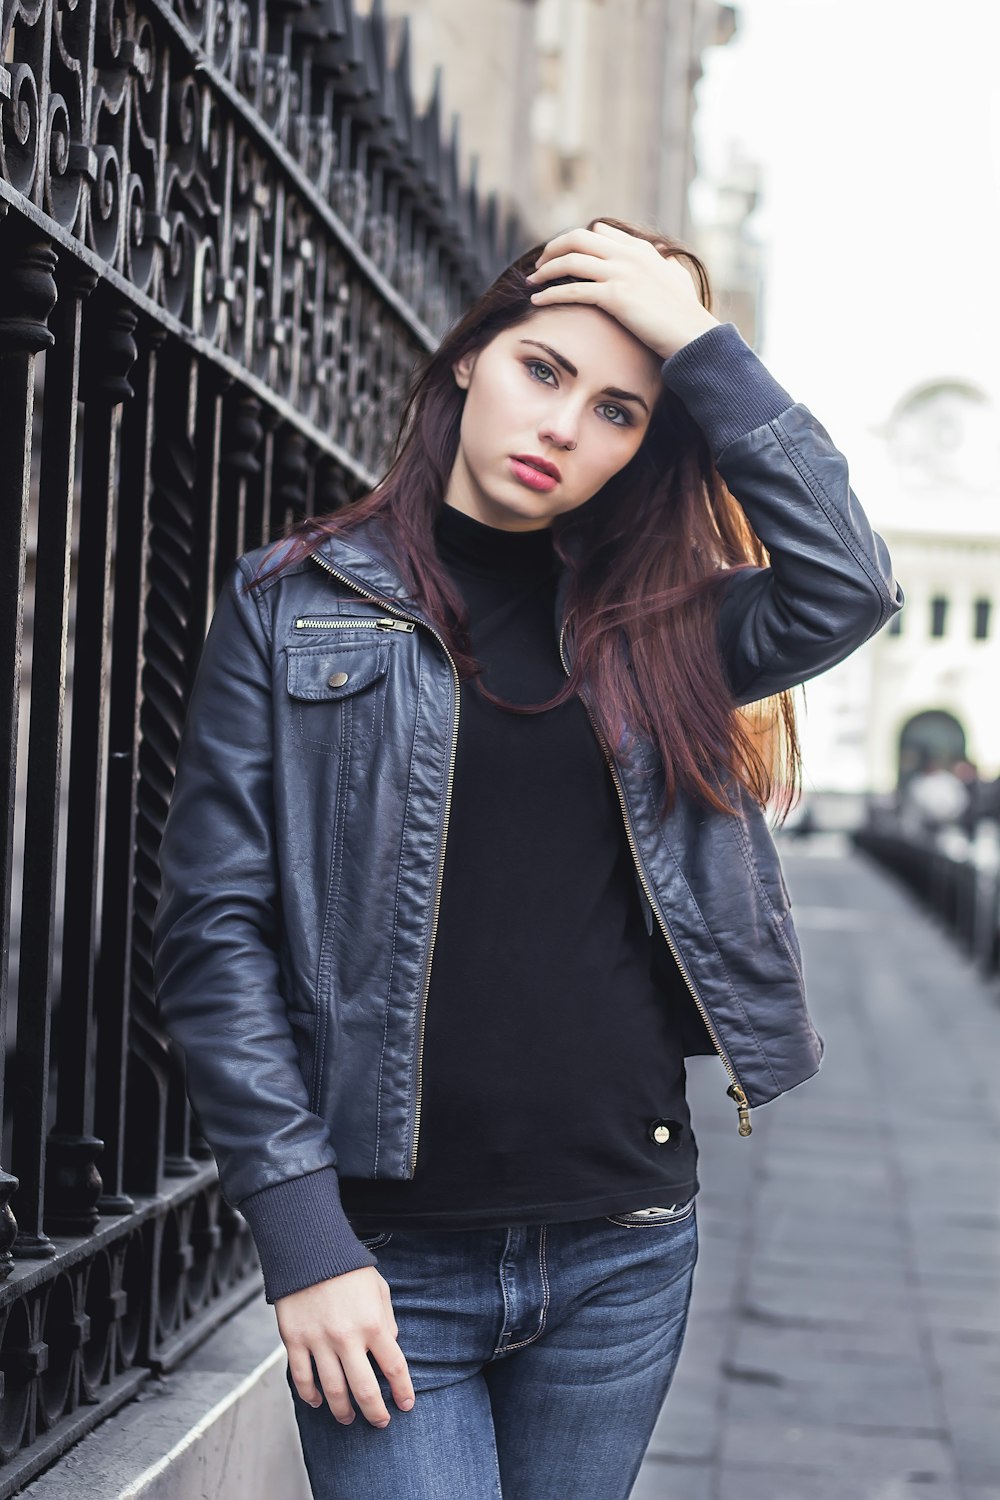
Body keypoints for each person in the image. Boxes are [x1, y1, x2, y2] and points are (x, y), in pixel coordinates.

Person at [152, 217, 903, 1500]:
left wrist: (700, 344)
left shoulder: (665, 631)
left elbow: (845, 585)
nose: (565, 428)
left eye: (619, 410)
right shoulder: (291, 604)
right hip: (387, 1264)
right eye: (542, 371)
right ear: (467, 361)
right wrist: (302, 1240)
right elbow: (213, 939)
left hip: (621, 1245)